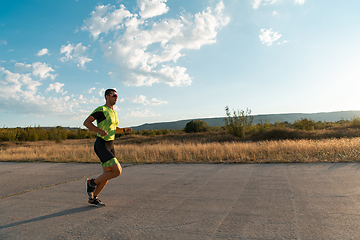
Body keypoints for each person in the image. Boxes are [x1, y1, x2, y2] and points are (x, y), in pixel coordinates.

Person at [83, 88, 132, 207]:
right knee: (117, 171)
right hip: (101, 144)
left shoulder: (114, 112)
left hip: (110, 145)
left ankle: (93, 198)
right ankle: (91, 183)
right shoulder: (102, 109)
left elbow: (114, 129)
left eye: (117, 96)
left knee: (107, 174)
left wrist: (124, 130)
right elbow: (87, 123)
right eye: (114, 95)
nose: (116, 98)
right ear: (107, 97)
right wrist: (99, 130)